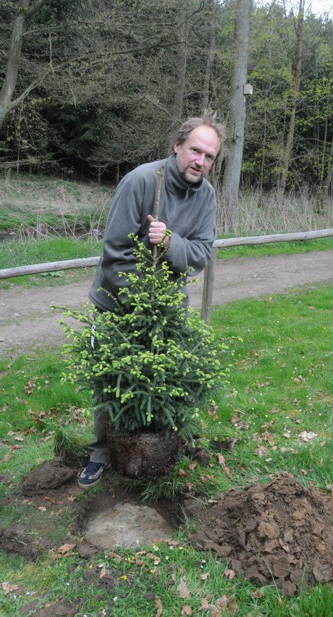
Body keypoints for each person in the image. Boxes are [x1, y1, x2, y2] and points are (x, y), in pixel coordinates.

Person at [78, 115, 225, 488]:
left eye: (209, 156)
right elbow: (116, 252)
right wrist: (146, 301)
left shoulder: (206, 195)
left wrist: (171, 242)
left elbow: (202, 253)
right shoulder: (143, 181)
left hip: (168, 308)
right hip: (119, 300)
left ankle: (158, 450)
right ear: (177, 146)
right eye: (195, 150)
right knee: (112, 382)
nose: (201, 161)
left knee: (162, 378)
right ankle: (99, 453)